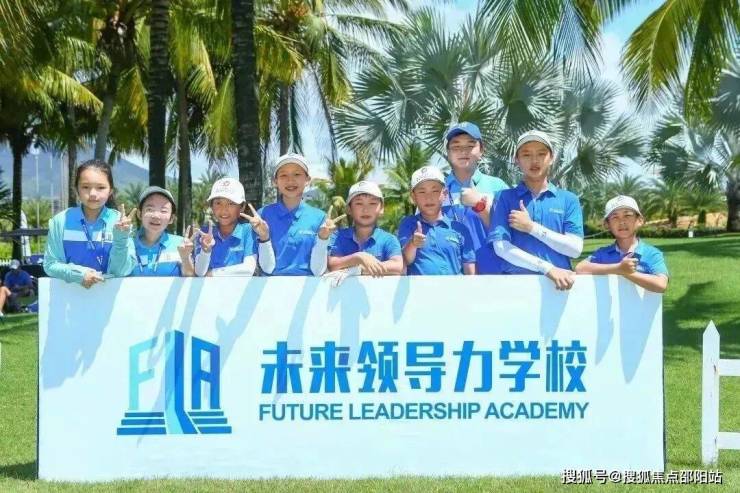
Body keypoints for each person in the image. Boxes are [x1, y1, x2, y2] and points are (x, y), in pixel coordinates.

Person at [489, 130, 584, 290]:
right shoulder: (504, 197)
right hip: (516, 286)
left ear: (551, 158)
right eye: (526, 155)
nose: (534, 160)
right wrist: (547, 268)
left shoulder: (569, 199)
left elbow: (575, 249)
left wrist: (531, 227)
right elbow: (501, 248)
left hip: (560, 286)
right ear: (517, 160)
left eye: (541, 154)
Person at [44, 159, 136, 288]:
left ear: (110, 191)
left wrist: (121, 238)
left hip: (110, 297)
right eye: (85, 187)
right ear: (77, 189)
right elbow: (50, 264)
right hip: (69, 296)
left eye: (101, 188)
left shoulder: (121, 222)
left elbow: (121, 272)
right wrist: (79, 275)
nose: (92, 194)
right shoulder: (60, 220)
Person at [258, 153, 342, 276]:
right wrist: (264, 236)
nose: (290, 180)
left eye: (297, 174)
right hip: (268, 286)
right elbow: (264, 267)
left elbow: (318, 270)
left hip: (309, 286)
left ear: (307, 180)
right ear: (275, 181)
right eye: (283, 175)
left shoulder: (321, 218)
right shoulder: (262, 215)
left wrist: (322, 238)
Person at [443, 121, 509, 274]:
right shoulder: (435, 190)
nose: (463, 151)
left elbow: (511, 232)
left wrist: (480, 204)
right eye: (456, 146)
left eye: (470, 145)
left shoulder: (498, 187)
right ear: (448, 152)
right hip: (448, 278)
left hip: (494, 274)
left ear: (481, 151)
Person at [576, 195, 669, 293]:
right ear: (607, 224)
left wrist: (627, 273)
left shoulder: (651, 253)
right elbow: (580, 268)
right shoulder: (602, 254)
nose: (622, 222)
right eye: (615, 217)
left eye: (627, 215)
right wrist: (618, 268)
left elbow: (661, 284)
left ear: (639, 220)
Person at [398, 166, 476, 275]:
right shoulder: (408, 224)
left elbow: (470, 271)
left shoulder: (460, 229)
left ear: (445, 194)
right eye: (422, 192)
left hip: (454, 286)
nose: (428, 198)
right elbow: (405, 260)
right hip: (420, 287)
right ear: (413, 197)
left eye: (435, 191)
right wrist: (413, 243)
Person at [324, 181, 403, 286]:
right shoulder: (338, 236)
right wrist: (359, 257)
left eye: (372, 203)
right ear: (349, 209)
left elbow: (397, 266)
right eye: (359, 203)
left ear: (381, 209)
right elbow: (332, 264)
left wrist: (359, 270)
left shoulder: (389, 239)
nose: (366, 210)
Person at [194, 178, 275, 276]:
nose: (224, 209)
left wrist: (214, 273)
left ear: (242, 207)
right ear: (212, 206)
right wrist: (205, 251)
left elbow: (248, 269)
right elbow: (200, 272)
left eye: (231, 203)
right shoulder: (205, 233)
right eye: (218, 203)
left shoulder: (248, 231)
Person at [129, 186, 195, 277]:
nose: (156, 216)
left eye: (163, 211)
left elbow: (190, 278)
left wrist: (185, 258)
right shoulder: (127, 245)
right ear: (139, 214)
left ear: (171, 218)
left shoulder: (181, 244)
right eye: (150, 209)